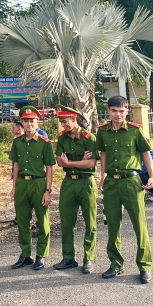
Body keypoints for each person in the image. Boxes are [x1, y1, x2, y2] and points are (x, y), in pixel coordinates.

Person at [97, 95, 153, 284]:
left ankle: (144, 266)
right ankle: (115, 263)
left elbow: (146, 153)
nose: (118, 114)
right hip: (112, 183)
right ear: (109, 110)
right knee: (113, 225)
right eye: (114, 110)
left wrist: (151, 176)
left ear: (127, 111)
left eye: (122, 111)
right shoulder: (102, 131)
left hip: (131, 181)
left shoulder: (135, 131)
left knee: (139, 225)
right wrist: (102, 175)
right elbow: (103, 153)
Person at [52, 105, 99, 273]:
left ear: (74, 119)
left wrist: (70, 163)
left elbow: (91, 163)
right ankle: (68, 257)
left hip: (86, 183)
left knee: (90, 222)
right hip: (68, 183)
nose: (63, 125)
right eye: (61, 122)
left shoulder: (89, 138)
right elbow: (59, 161)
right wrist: (77, 161)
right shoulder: (62, 138)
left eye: (65, 121)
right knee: (66, 222)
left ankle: (88, 258)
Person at [9, 106, 55, 271]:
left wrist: (48, 190)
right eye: (26, 121)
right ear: (21, 122)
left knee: (43, 221)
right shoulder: (17, 142)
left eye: (32, 121)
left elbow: (49, 167)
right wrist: (13, 187)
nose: (29, 124)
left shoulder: (44, 143)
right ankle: (25, 254)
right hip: (22, 184)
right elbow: (15, 165)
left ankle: (41, 255)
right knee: (22, 221)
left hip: (39, 183)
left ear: (37, 122)